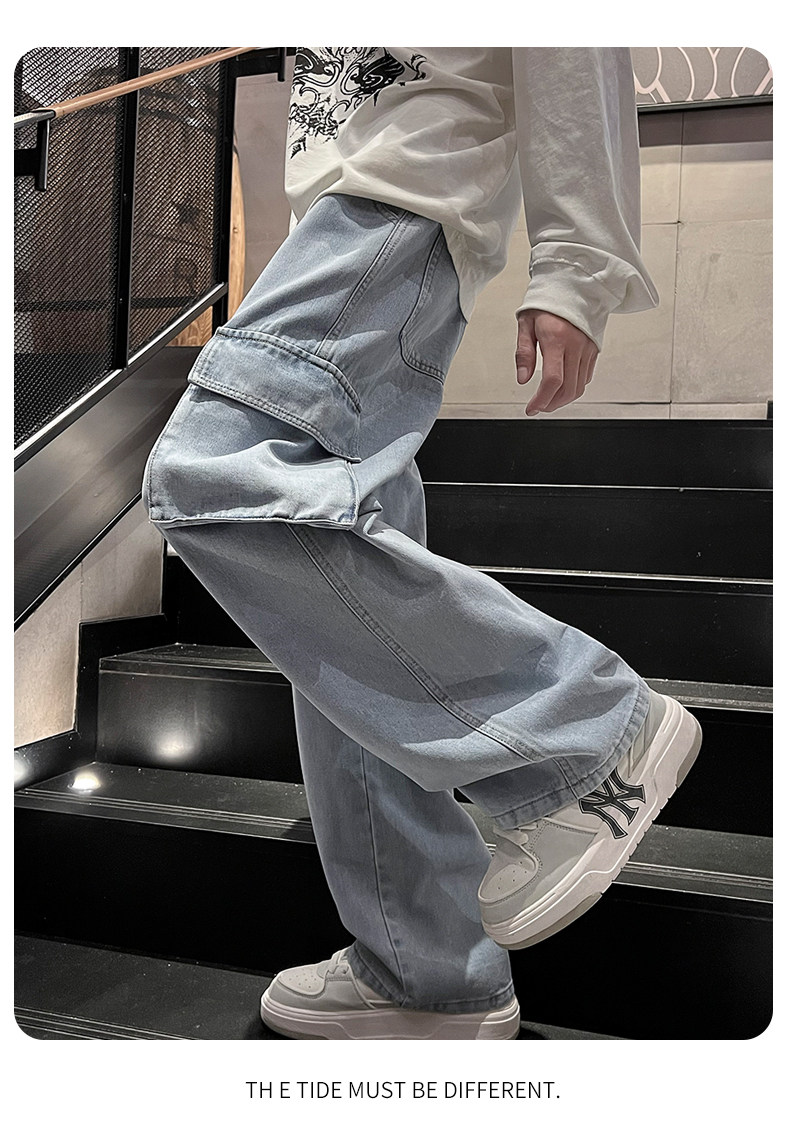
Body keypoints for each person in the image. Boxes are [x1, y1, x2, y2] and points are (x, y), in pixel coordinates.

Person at [142, 47, 701, 1040]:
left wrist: (577, 266)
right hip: (348, 207)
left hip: (399, 192)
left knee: (215, 470)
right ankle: (429, 971)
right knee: (345, 621)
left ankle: (584, 735)